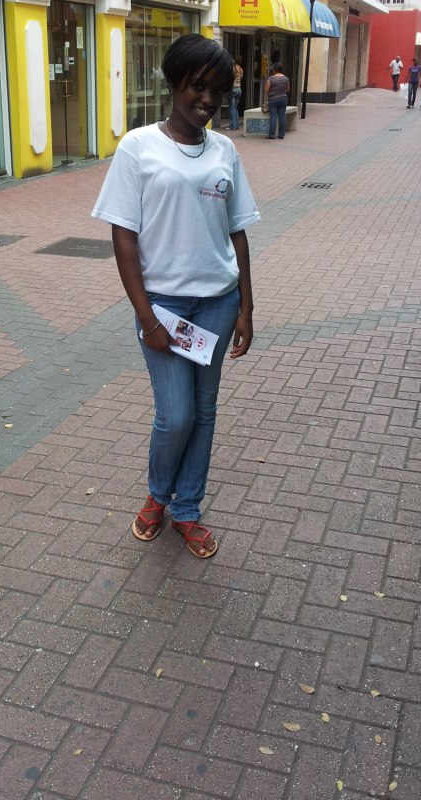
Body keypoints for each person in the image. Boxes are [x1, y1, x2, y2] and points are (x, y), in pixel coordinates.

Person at [92, 33, 260, 559]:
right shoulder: (138, 147)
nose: (207, 100)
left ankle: (186, 508)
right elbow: (124, 237)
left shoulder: (225, 150)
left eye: (217, 91)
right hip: (163, 307)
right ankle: (157, 495)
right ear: (173, 84)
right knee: (176, 414)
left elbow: (237, 231)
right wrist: (147, 318)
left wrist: (247, 307)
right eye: (197, 87)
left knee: (204, 411)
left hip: (217, 303)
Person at [264, 62, 290, 140]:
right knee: (282, 116)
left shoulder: (270, 78)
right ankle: (281, 135)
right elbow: (288, 89)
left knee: (273, 117)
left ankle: (272, 135)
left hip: (273, 100)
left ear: (275, 69)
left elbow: (266, 89)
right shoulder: (286, 78)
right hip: (283, 99)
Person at [227, 55, 243, 130]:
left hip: (233, 88)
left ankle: (232, 125)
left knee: (232, 108)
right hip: (239, 88)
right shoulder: (241, 69)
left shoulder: (233, 68)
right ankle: (236, 125)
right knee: (235, 107)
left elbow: (231, 77)